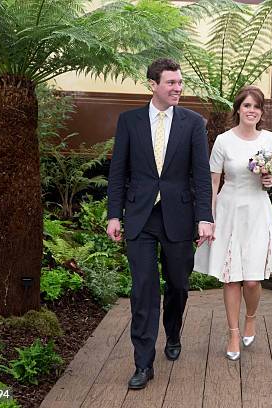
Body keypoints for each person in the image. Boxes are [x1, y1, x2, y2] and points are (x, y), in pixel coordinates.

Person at [106, 58, 214, 389]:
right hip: (140, 217)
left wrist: (205, 217)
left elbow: (200, 175)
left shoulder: (194, 123)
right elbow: (118, 171)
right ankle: (143, 363)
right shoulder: (129, 121)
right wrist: (114, 214)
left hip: (179, 217)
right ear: (153, 84)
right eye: (171, 83)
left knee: (178, 284)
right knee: (143, 290)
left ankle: (174, 329)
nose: (178, 88)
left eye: (180, 83)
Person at [194, 86, 272, 361]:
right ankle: (233, 332)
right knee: (231, 277)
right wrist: (207, 217)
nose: (251, 111)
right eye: (246, 105)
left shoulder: (270, 139)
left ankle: (251, 317)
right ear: (238, 109)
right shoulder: (223, 140)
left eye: (256, 107)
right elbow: (213, 181)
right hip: (229, 209)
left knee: (251, 280)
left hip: (257, 210)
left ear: (261, 112)